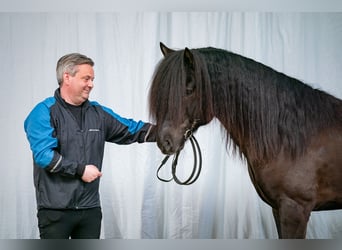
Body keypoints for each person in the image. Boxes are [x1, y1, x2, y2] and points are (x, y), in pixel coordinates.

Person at [24, 53, 156, 239]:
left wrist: (166, 132)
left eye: (92, 79)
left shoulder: (98, 113)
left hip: (90, 209)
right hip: (55, 211)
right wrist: (80, 170)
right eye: (86, 78)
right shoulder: (43, 112)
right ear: (67, 78)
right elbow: (44, 155)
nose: (91, 84)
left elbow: (131, 129)